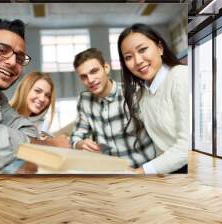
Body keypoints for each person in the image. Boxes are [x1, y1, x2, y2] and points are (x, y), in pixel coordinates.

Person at [0, 19, 69, 174]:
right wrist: (50, 145)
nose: (12, 62)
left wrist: (23, 142)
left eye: (19, 58)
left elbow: (29, 132)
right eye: (2, 50)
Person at [118, 23, 190, 174]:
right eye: (128, 57)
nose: (138, 61)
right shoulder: (143, 94)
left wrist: (141, 172)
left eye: (143, 49)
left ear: (160, 48)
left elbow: (187, 147)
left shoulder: (180, 76)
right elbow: (160, 146)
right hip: (169, 172)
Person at [70, 48, 156, 169]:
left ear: (106, 68)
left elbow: (158, 134)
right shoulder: (84, 100)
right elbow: (76, 137)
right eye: (84, 76)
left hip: (142, 169)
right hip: (110, 172)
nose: (90, 80)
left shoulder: (134, 93)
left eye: (94, 71)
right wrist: (80, 144)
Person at [9, 72, 56, 136]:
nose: (42, 99)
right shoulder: (3, 117)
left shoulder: (41, 126)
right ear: (25, 89)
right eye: (37, 91)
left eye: (47, 95)